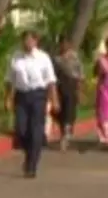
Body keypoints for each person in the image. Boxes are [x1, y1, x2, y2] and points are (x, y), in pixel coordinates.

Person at [6, 30, 58, 178]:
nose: (27, 43)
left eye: (30, 40)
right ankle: (28, 153)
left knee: (36, 130)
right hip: (21, 95)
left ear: (36, 41)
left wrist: (54, 99)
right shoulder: (16, 57)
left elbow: (50, 81)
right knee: (21, 129)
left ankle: (32, 165)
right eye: (25, 40)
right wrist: (8, 98)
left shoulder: (43, 58)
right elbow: (10, 80)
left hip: (38, 96)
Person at [51, 36, 83, 151]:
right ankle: (63, 133)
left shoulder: (75, 58)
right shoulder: (55, 59)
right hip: (59, 86)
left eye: (66, 43)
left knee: (69, 112)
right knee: (60, 113)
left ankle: (66, 135)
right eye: (62, 43)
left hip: (71, 86)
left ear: (69, 45)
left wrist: (79, 91)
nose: (64, 46)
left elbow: (80, 75)